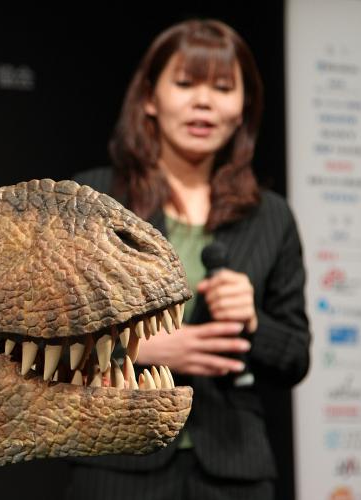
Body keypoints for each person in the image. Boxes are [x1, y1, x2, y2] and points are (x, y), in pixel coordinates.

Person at [65, 19, 310, 500]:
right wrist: (140, 352)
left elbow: (296, 356)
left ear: (243, 109)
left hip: (235, 470)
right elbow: (47, 336)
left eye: (222, 87)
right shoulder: (93, 199)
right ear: (150, 99)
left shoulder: (271, 216)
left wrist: (254, 321)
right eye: (185, 83)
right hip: (117, 460)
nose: (204, 101)